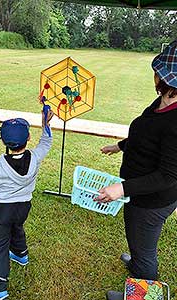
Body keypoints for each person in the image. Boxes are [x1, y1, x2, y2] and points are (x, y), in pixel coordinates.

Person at [96, 40, 177, 282]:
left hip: (153, 201)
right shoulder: (164, 101)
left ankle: (143, 284)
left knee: (145, 251)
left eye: (158, 72)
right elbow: (145, 135)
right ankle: (136, 259)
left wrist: (121, 188)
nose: (154, 75)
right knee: (137, 237)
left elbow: (168, 175)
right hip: (141, 193)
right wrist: (120, 146)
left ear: (163, 79)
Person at [0, 109, 53, 300]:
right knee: (17, 227)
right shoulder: (35, 157)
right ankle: (21, 254)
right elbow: (46, 142)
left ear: (4, 142)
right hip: (23, 207)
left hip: (2, 210)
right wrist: (46, 123)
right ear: (29, 137)